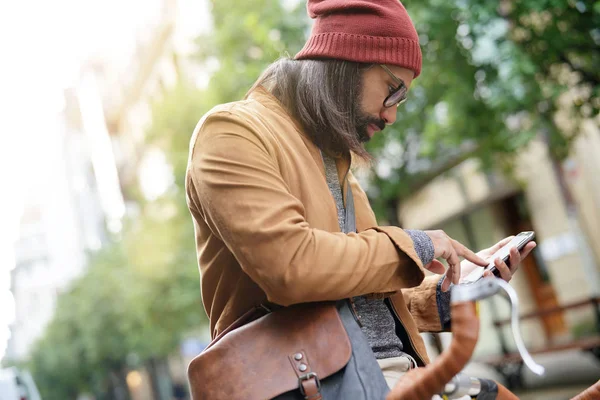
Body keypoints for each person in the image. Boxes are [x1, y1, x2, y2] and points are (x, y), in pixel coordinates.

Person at [184, 0, 536, 392]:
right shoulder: (230, 134)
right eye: (392, 90)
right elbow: (293, 267)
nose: (392, 116)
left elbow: (359, 294)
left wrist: (451, 289)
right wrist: (419, 244)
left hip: (382, 376)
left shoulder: (337, 163)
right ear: (346, 62)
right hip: (315, 383)